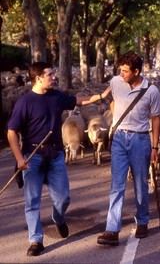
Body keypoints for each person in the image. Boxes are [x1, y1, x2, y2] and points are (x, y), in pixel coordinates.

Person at [7, 62, 105, 256]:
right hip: (32, 156)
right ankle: (36, 240)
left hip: (55, 155)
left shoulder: (57, 97)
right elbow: (11, 132)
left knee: (63, 198)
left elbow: (79, 101)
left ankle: (58, 218)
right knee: (32, 201)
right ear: (38, 78)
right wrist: (19, 159)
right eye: (50, 74)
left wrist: (101, 95)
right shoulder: (24, 102)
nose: (54, 77)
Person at [97, 52, 160, 246]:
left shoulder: (151, 91)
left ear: (136, 71)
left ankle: (142, 221)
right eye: (120, 70)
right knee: (117, 185)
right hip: (119, 138)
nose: (121, 73)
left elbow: (156, 118)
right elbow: (110, 97)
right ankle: (112, 228)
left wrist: (155, 146)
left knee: (141, 183)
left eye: (125, 71)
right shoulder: (116, 82)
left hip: (140, 139)